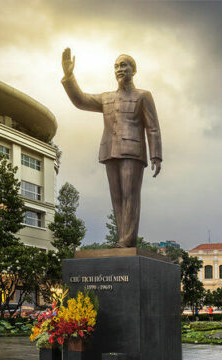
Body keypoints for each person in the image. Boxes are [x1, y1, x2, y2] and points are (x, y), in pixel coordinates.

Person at [61, 48, 162, 248]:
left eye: (124, 65)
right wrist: (69, 76)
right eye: (116, 66)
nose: (119, 69)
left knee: (130, 195)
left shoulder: (143, 96)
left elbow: (153, 127)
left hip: (133, 152)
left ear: (134, 70)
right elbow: (80, 100)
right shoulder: (106, 98)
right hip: (110, 151)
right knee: (116, 198)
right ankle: (122, 240)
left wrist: (156, 155)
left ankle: (127, 240)